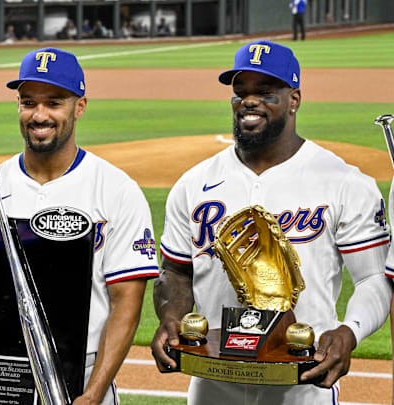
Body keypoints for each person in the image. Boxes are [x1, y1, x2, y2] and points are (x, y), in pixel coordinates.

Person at [150, 40, 392, 404]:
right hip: (213, 380)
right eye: (240, 92)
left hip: (303, 381)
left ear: (294, 99)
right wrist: (170, 317)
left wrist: (349, 332)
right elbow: (175, 271)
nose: (248, 101)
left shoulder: (345, 182)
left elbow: (373, 278)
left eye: (265, 91)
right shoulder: (193, 184)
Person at [0, 47, 158, 405]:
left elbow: (127, 303)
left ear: (80, 106)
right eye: (28, 102)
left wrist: (93, 394)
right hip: (1, 376)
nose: (39, 115)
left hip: (86, 373)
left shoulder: (116, 191)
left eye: (54, 102)